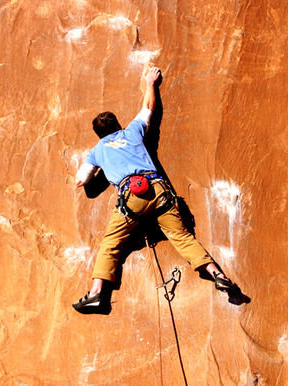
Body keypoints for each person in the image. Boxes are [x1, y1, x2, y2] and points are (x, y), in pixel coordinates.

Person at [72, 66, 235, 313]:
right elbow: (148, 108)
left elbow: (81, 179)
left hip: (132, 200)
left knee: (110, 244)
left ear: (98, 134)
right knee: (182, 237)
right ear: (118, 124)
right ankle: (217, 273)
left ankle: (96, 293)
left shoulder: (97, 150)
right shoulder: (132, 131)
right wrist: (150, 82)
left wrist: (102, 168)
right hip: (160, 192)